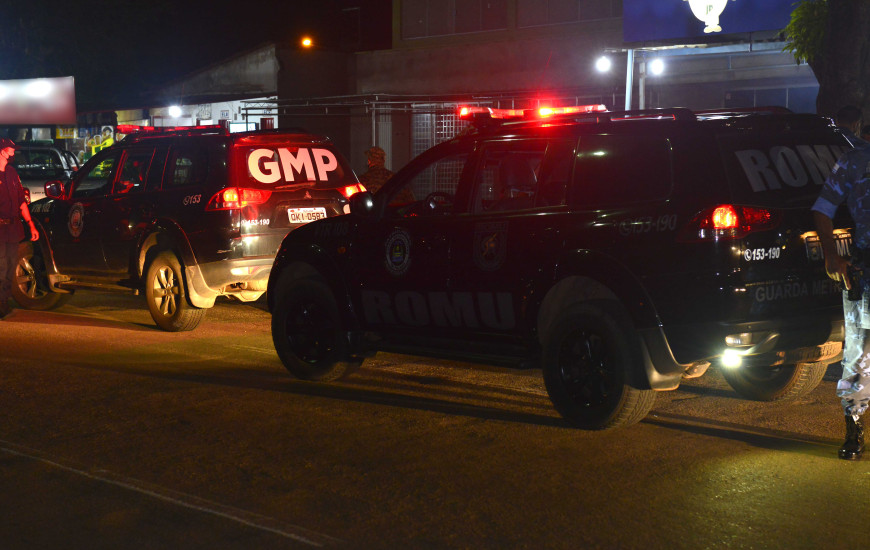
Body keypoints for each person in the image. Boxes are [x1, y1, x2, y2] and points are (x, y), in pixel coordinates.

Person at [812, 118, 870, 460]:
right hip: (865, 271)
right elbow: (822, 209)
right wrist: (832, 256)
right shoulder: (855, 160)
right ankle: (854, 429)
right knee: (859, 356)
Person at [0, 138, 39, 319]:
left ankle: (4, 301)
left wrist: (30, 224)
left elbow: (21, 202)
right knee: (1, 266)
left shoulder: (12, 172)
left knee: (10, 267)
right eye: (11, 148)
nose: (14, 151)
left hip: (13, 228)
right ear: (2, 151)